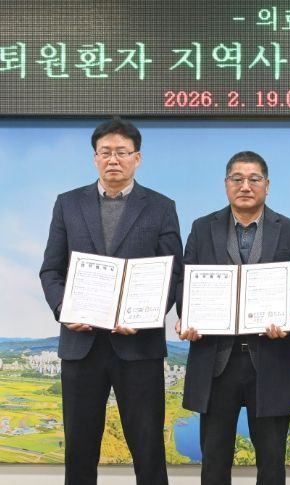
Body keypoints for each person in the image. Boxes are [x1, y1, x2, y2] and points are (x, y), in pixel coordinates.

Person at [39, 117, 182, 485]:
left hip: (139, 344)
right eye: (105, 152)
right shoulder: (68, 204)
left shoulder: (161, 206)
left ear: (137, 158)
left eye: (122, 152)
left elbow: (173, 274)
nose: (113, 159)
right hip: (81, 344)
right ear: (95, 158)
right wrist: (64, 310)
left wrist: (147, 316)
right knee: (79, 450)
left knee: (148, 449)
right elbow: (51, 270)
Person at [176, 151, 290, 485]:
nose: (245, 186)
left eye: (254, 179)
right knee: (214, 460)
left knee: (272, 462)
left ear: (267, 185)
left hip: (272, 358)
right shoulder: (202, 228)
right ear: (226, 184)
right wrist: (186, 316)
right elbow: (185, 280)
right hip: (215, 360)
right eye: (237, 179)